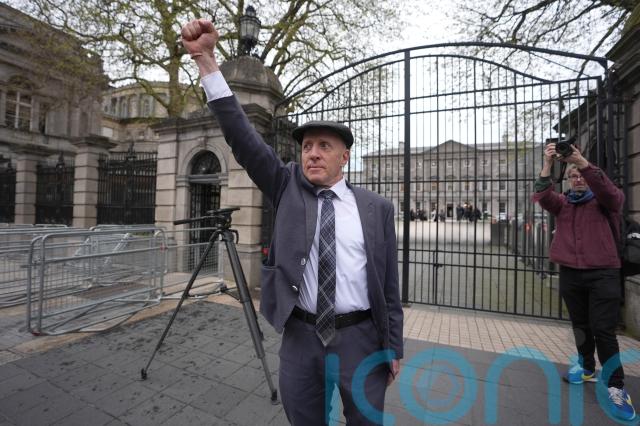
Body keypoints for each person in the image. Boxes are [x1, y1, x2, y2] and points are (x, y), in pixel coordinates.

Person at [180, 19, 403, 425]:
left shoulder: (376, 209)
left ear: (344, 157)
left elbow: (389, 287)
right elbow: (242, 135)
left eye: (324, 146)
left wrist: (394, 347)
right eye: (307, 146)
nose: (312, 153)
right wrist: (205, 60)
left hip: (361, 339)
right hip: (301, 339)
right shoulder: (285, 186)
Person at [531, 142, 636, 421]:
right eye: (573, 176)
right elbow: (542, 195)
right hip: (571, 273)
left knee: (603, 330)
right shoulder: (564, 204)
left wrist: (582, 162)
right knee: (580, 325)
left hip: (603, 273)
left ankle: (616, 387)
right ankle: (587, 366)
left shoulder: (605, 201)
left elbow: (612, 195)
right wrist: (548, 164)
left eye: (581, 175)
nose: (577, 179)